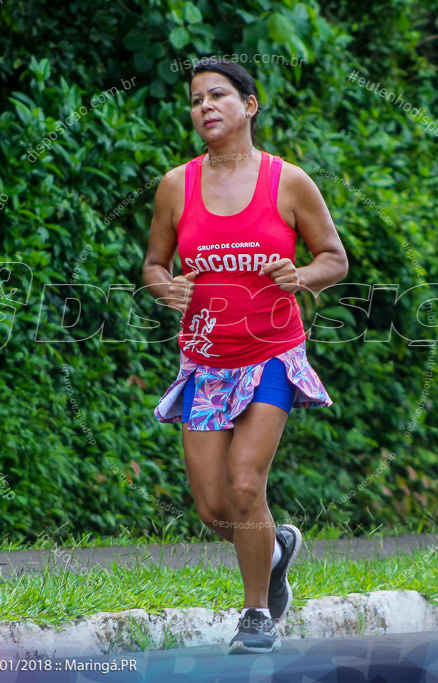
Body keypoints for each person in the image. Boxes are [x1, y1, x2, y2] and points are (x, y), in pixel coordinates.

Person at [142, 57, 348, 654]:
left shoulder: (289, 182)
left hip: (271, 357)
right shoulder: (175, 186)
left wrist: (300, 275)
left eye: (218, 95)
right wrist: (166, 287)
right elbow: (155, 264)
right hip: (206, 362)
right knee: (214, 509)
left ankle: (256, 614)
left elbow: (333, 258)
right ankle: (277, 546)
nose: (205, 106)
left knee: (244, 482)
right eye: (196, 99)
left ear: (249, 106)